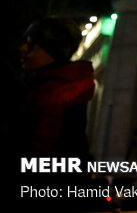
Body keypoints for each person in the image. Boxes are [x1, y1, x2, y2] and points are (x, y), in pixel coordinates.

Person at [13, 15, 97, 211]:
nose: (23, 49)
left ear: (51, 50)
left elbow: (37, 155)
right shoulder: (55, 86)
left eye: (31, 44)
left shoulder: (53, 92)